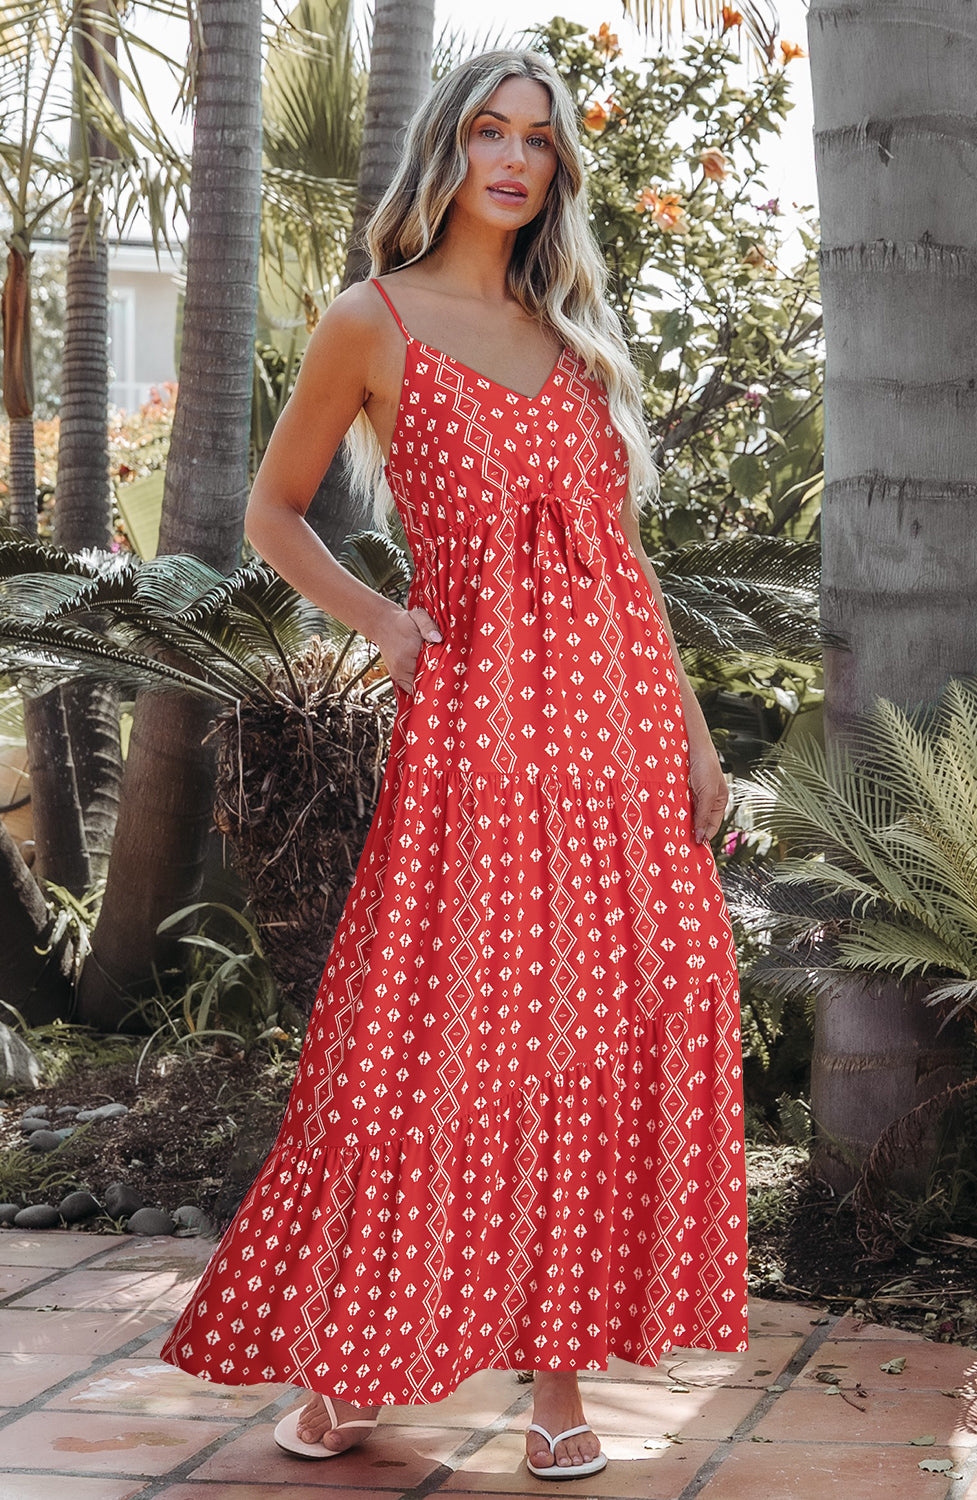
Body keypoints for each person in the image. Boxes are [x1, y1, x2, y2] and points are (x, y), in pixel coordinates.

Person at [159, 45, 748, 1482]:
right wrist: (384, 623)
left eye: (536, 140)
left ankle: (558, 1388)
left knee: (597, 1043)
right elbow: (273, 512)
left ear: (557, 169)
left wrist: (693, 739)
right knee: (433, 1042)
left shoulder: (575, 334)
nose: (513, 159)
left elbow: (623, 563)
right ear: (447, 149)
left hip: (614, 734)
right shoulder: (369, 321)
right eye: (490, 131)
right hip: (477, 734)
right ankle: (353, 1364)